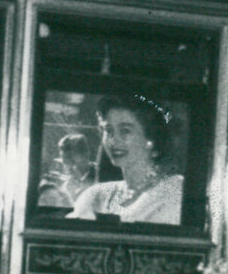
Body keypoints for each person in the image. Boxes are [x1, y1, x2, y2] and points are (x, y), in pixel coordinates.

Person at [68, 94, 183, 224]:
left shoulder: (174, 190)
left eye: (125, 131)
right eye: (108, 130)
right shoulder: (97, 194)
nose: (113, 140)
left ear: (150, 137)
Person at [57, 133, 96, 203]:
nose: (67, 166)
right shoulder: (65, 185)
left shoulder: (101, 178)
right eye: (64, 161)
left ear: (86, 154)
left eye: (71, 160)